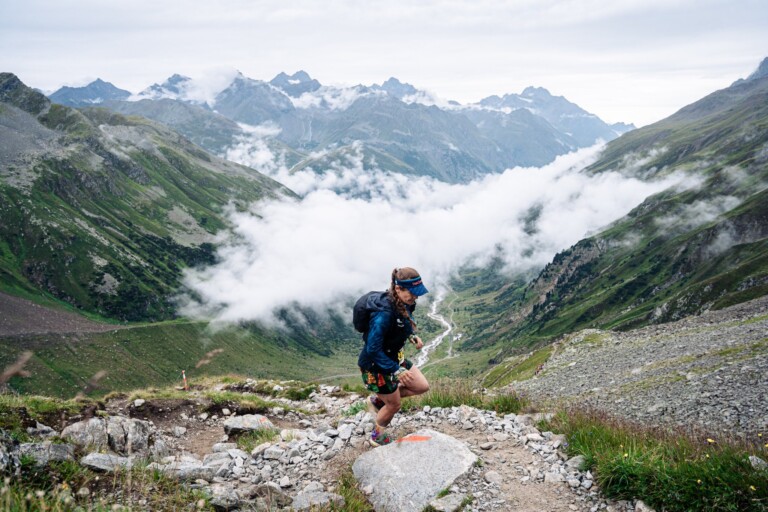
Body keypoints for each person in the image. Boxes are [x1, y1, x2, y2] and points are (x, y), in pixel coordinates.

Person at [357, 267, 431, 446]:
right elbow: (373, 348)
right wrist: (396, 370)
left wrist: (411, 335)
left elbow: (404, 322)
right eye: (412, 293)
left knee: (422, 386)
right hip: (376, 367)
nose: (415, 297)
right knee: (394, 405)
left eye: (417, 293)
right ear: (398, 288)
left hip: (395, 358)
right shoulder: (383, 315)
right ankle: (377, 436)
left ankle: (378, 400)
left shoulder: (406, 302)